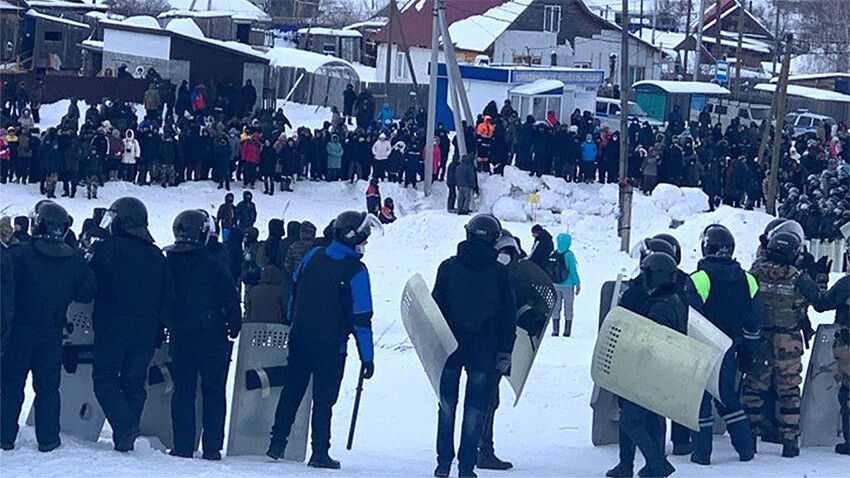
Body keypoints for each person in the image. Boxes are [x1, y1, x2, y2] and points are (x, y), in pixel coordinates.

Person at [267, 211, 377, 470]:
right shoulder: (356, 271)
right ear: (352, 238)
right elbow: (362, 318)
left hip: (300, 337)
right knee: (324, 399)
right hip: (331, 345)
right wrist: (367, 357)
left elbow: (294, 291)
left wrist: (292, 321)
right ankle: (319, 452)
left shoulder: (312, 256)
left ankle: (276, 444)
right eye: (363, 239)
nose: (365, 244)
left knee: (292, 390)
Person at [1, 201, 96, 452]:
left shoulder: (19, 254)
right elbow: (86, 292)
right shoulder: (74, 259)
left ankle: (4, 435)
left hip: (20, 329)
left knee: (10, 385)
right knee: (48, 389)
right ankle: (48, 438)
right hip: (52, 332)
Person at [431, 214, 516, 478]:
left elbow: (435, 308)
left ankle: (443, 463)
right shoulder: (500, 273)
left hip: (450, 348)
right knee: (474, 410)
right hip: (484, 350)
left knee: (447, 406)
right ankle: (466, 467)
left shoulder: (448, 267)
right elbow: (508, 316)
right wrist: (505, 351)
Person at [90, 197, 173, 452]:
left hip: (112, 325)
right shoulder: (156, 256)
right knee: (134, 384)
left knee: (104, 378)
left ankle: (125, 428)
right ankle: (125, 437)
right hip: (146, 330)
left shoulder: (109, 248)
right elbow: (166, 296)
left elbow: (91, 280)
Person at [163, 210, 240, 460]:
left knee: (183, 391)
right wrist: (234, 325)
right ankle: (212, 447)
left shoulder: (169, 261)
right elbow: (230, 295)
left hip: (180, 335)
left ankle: (183, 444)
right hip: (212, 335)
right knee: (214, 392)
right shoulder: (213, 263)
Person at [607, 252, 685, 478]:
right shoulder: (672, 299)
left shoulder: (661, 305)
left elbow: (653, 342)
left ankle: (657, 464)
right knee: (650, 420)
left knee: (629, 420)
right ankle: (636, 466)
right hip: (656, 372)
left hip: (648, 373)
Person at [742, 231, 819, 457]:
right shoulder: (799, 278)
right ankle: (790, 442)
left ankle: (751, 437)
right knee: (789, 391)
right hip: (789, 342)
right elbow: (819, 301)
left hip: (760, 340)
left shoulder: (756, 272)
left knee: (754, 389)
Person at [689, 224, 759, 464]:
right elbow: (754, 321)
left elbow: (690, 317)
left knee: (700, 400)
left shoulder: (699, 279)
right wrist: (749, 350)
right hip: (731, 349)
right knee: (728, 398)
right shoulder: (748, 279)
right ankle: (745, 449)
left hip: (702, 348)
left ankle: (701, 454)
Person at [809, 242, 849, 455]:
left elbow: (821, 304)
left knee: (848, 393)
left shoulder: (846, 284)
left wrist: (820, 280)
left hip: (848, 344)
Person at [550, 233, 580, 337]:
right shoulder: (569, 255)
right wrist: (577, 283)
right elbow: (573, 271)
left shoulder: (553, 254)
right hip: (568, 285)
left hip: (555, 284)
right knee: (568, 307)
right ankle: (567, 331)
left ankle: (555, 330)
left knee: (556, 307)